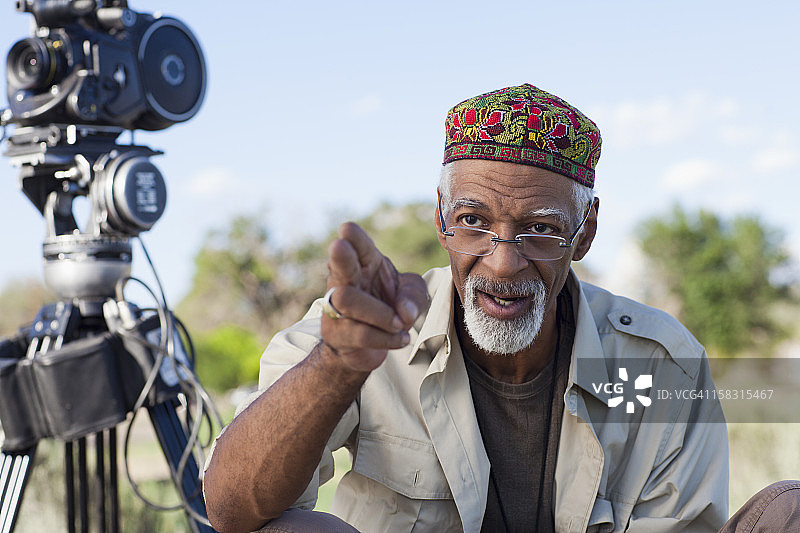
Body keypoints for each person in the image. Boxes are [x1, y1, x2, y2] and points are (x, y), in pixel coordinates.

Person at [203, 84, 734, 532]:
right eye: (474, 221)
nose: (503, 264)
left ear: (585, 232)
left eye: (541, 229)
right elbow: (231, 510)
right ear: (441, 220)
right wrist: (336, 367)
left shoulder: (663, 364)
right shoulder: (366, 329)